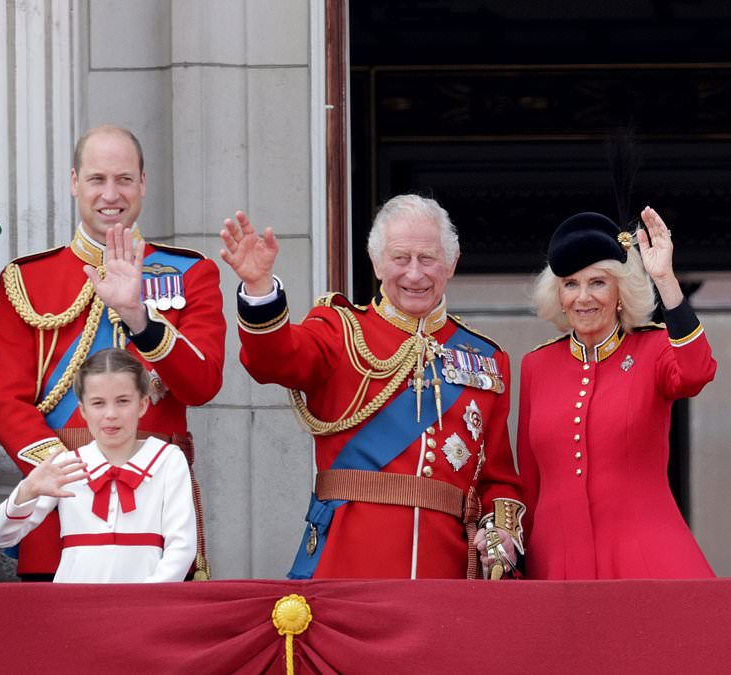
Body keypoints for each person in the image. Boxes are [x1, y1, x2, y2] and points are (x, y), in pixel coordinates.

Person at [220, 195, 525, 579]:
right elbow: (274, 359)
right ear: (377, 262)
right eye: (400, 259)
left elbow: (498, 479)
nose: (414, 274)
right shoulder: (339, 330)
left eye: (427, 258)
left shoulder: (486, 359)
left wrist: (501, 531)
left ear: (452, 263)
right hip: (348, 565)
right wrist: (260, 289)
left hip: (444, 572)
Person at [0, 125, 224, 580]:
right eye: (97, 179)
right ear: (74, 182)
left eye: (124, 179)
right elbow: (6, 402)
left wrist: (140, 318)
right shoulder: (26, 280)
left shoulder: (191, 273)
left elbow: (203, 384)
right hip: (61, 509)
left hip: (156, 503)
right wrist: (69, 476)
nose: (110, 194)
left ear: (143, 183)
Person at [518, 207, 716, 579]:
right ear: (558, 295)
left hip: (644, 557)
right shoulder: (536, 366)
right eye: (570, 284)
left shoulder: (653, 349)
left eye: (598, 282)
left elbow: (696, 372)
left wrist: (665, 280)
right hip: (557, 563)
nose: (583, 297)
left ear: (620, 291)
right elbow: (530, 482)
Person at [0, 348, 197, 582]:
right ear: (83, 410)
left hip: (145, 607)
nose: (111, 414)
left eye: (123, 402)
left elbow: (182, 546)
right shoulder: (67, 464)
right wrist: (27, 491)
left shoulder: (168, 460)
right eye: (98, 403)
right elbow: (1, 536)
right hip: (74, 607)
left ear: (143, 404)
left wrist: (146, 600)